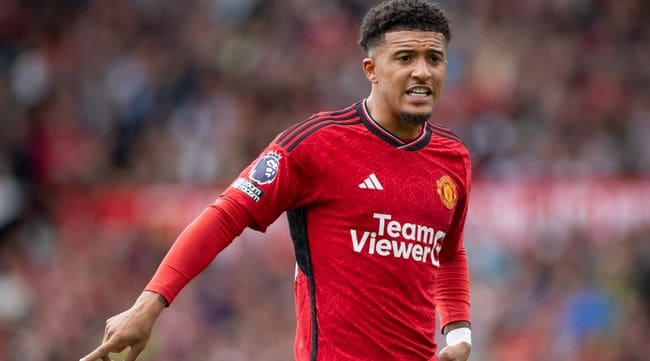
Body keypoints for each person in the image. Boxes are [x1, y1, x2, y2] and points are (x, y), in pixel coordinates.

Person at [80, 0, 472, 360]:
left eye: (434, 58)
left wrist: (459, 334)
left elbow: (450, 251)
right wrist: (150, 303)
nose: (422, 71)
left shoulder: (453, 158)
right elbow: (227, 214)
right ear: (371, 69)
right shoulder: (317, 144)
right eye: (405, 57)